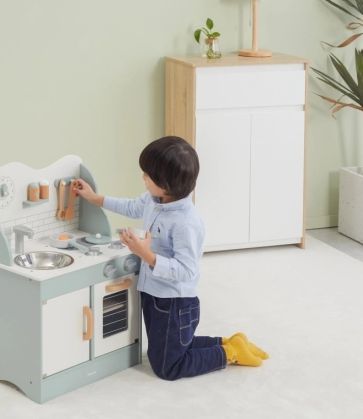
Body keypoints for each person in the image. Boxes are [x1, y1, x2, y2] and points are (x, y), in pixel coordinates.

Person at [74, 136, 269, 381]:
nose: (143, 177)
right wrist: (94, 198)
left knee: (168, 367)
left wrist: (145, 253)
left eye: (148, 175)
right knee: (173, 346)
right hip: (154, 294)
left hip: (174, 303)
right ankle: (230, 341)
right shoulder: (154, 200)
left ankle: (229, 352)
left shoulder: (186, 223)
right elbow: (131, 207)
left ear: (166, 184)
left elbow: (187, 270)